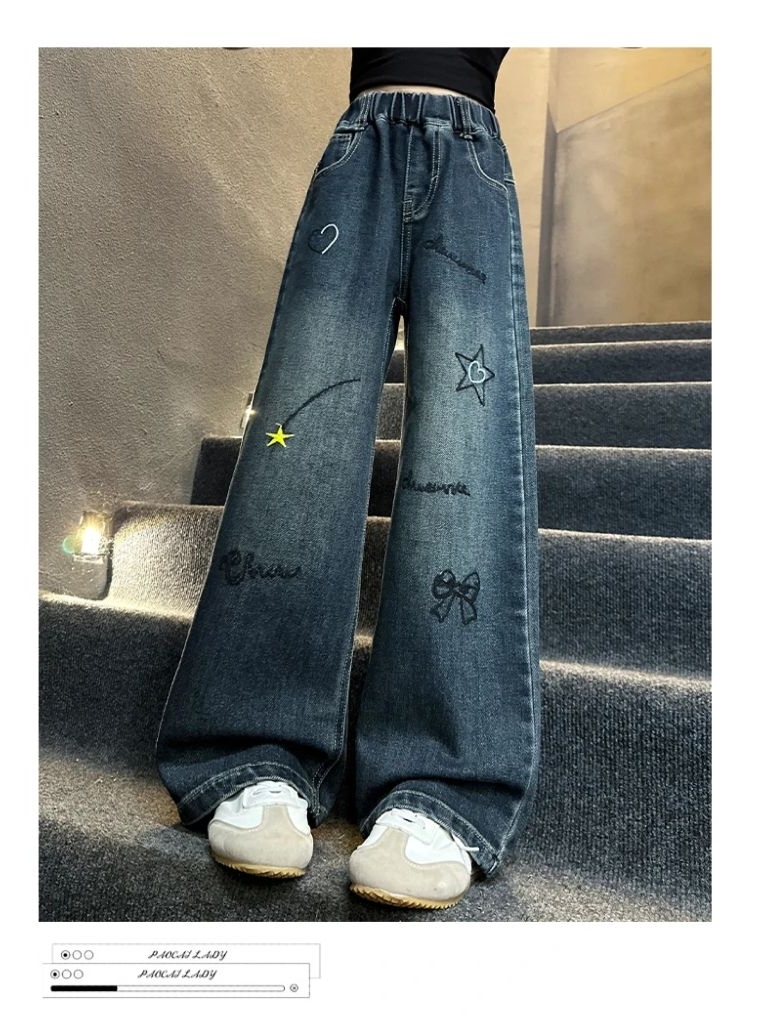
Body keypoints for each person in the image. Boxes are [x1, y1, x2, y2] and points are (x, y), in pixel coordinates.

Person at [154, 47, 542, 911]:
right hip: (358, 148)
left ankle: (441, 784)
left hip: (473, 164)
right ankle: (254, 748)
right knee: (302, 434)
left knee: (466, 455)